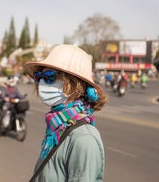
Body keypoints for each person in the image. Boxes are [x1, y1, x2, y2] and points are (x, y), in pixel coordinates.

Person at [24, 44, 108, 181]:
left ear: (75, 84)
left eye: (49, 76)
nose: (42, 83)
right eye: (39, 76)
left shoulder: (84, 138)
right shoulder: (58, 127)